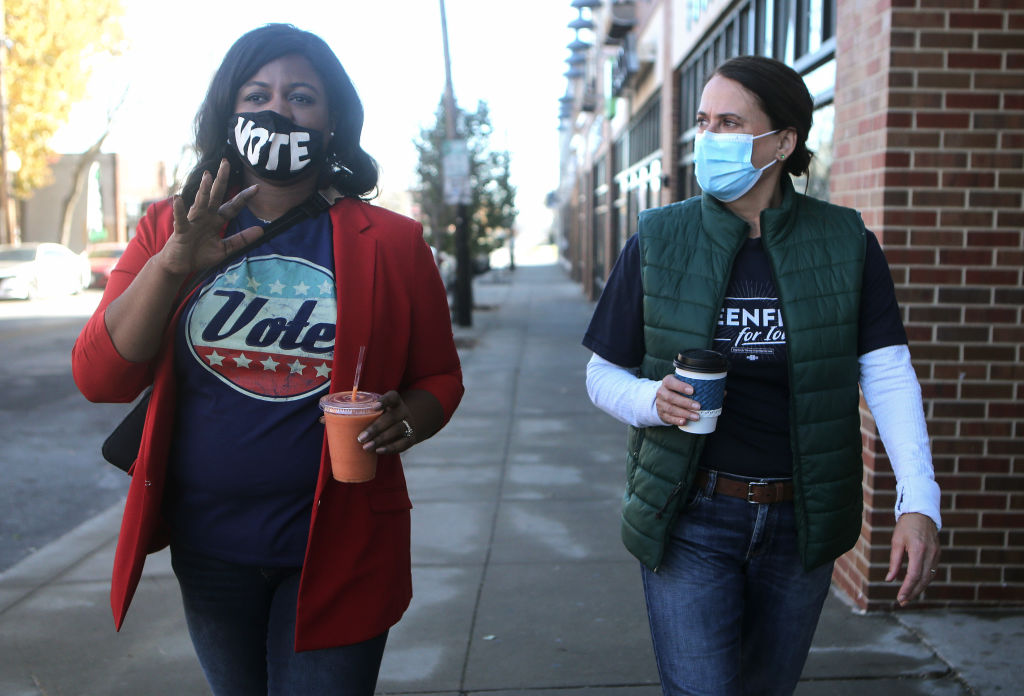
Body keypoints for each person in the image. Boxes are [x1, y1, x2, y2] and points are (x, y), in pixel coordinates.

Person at [72, 24, 463, 696]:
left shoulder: (393, 243)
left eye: (302, 96)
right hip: (210, 549)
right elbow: (100, 378)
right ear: (229, 115)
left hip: (342, 548)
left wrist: (414, 417)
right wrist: (172, 265)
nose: (278, 110)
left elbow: (439, 378)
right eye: (257, 94)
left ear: (334, 119)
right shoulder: (171, 227)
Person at [582, 55, 941, 696]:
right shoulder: (658, 240)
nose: (708, 137)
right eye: (702, 121)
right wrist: (650, 400)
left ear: (782, 141)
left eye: (729, 121)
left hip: (801, 520)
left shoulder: (845, 242)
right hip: (690, 514)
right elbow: (602, 372)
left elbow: (887, 375)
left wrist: (919, 501)